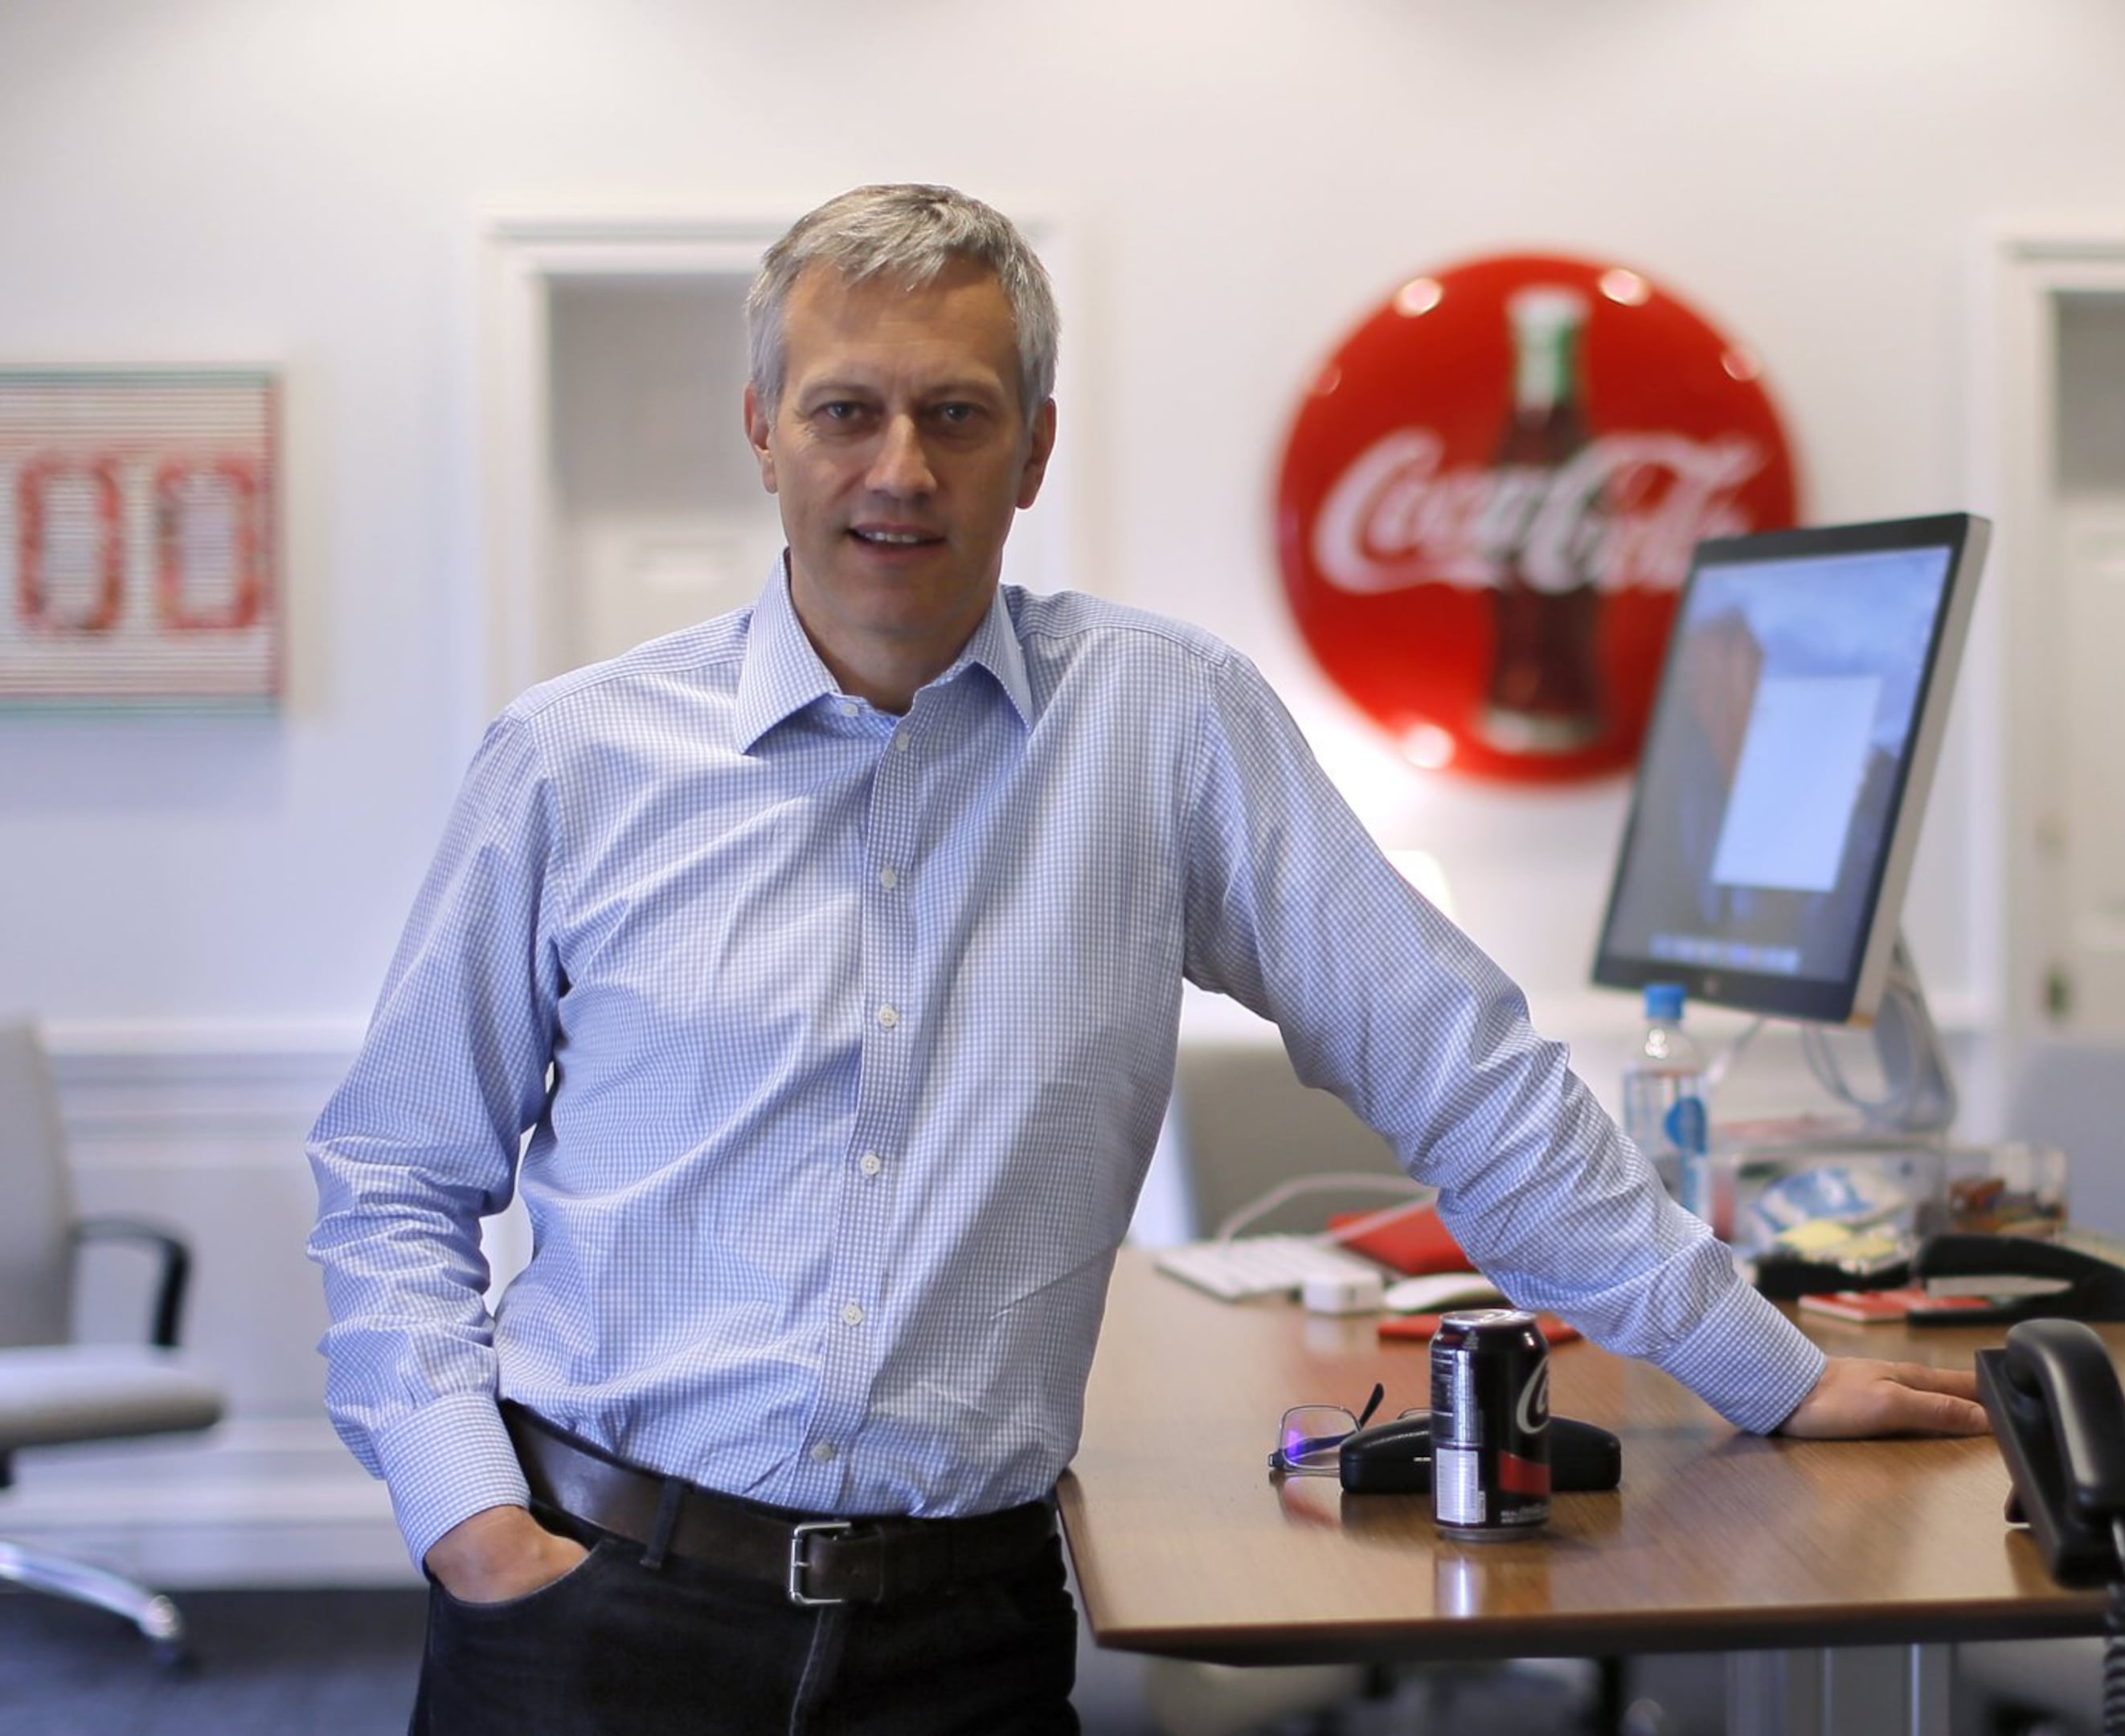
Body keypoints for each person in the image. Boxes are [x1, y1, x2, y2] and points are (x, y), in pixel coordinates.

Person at [307, 182, 1984, 1735]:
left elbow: (1460, 1072)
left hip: (960, 1638)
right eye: (847, 410)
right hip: (599, 1611)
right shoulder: (572, 762)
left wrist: (1763, 1370)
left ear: (1033, 449)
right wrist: (464, 1512)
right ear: (765, 433)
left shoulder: (1164, 727)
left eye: (956, 414)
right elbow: (392, 1174)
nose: (901, 467)